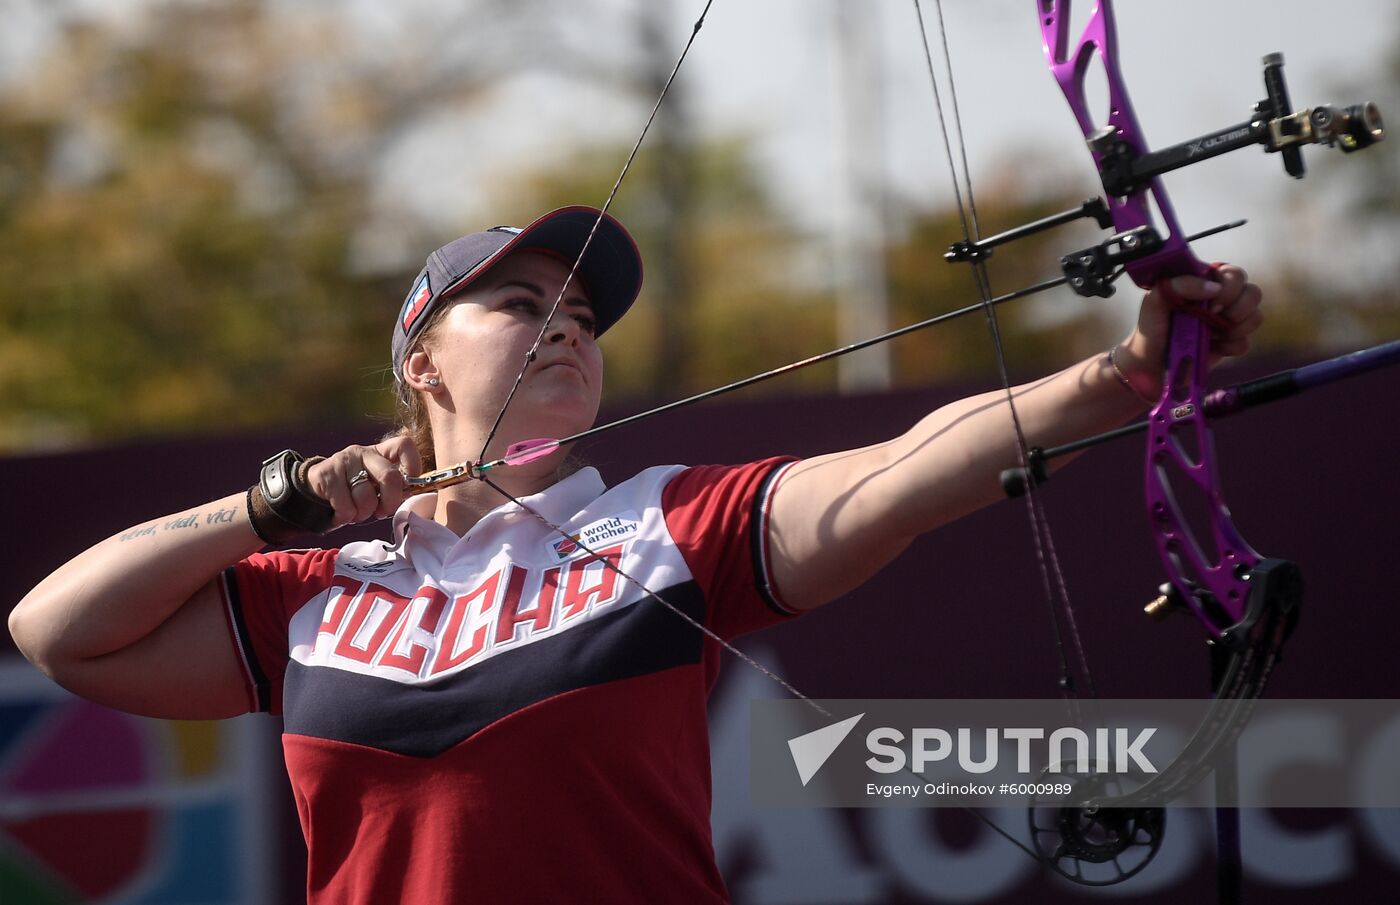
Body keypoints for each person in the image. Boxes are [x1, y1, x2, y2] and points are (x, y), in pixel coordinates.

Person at [9, 206, 1262, 903]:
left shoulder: (664, 523)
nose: (565, 327)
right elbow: (56, 630)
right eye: (517, 304)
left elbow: (904, 464)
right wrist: (268, 509)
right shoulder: (320, 591)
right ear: (421, 363)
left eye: (584, 317)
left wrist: (1127, 375)